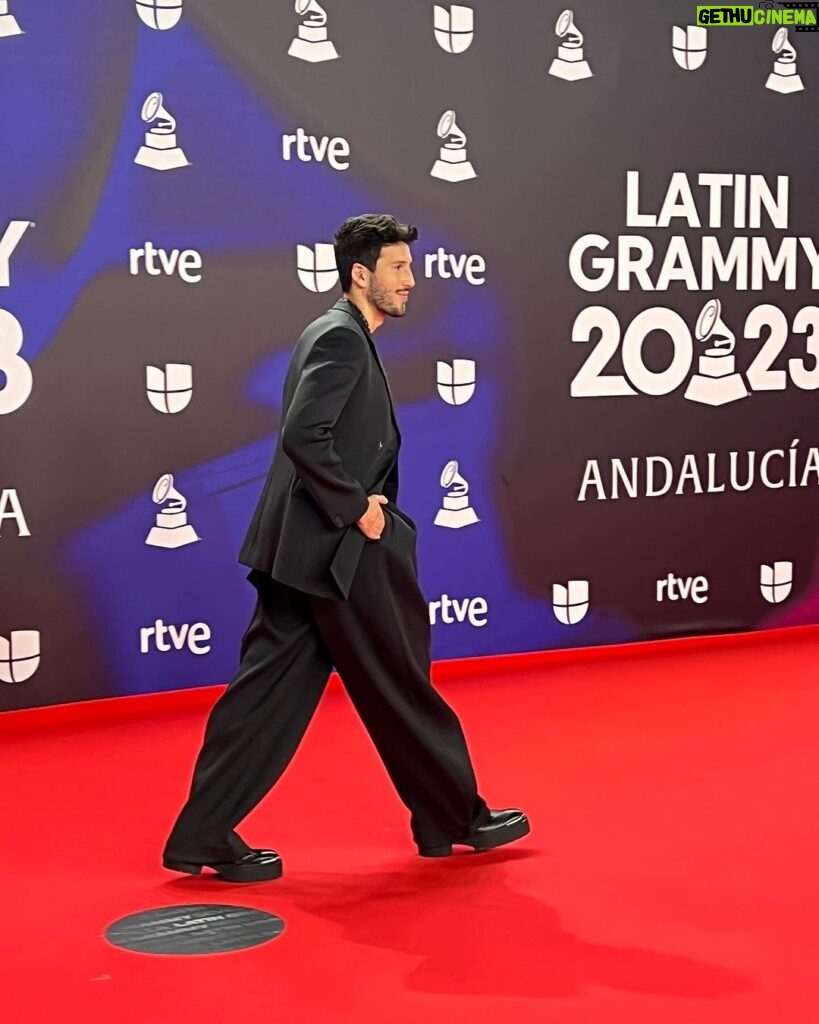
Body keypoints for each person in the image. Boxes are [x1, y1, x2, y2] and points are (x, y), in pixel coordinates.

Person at [162, 214, 529, 882]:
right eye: (397, 269)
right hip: (335, 551)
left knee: (266, 696)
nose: (410, 281)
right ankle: (454, 818)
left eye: (410, 268)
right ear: (360, 274)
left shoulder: (339, 332)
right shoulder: (340, 338)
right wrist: (356, 509)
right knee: (399, 681)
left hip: (299, 552)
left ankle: (202, 833)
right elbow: (305, 435)